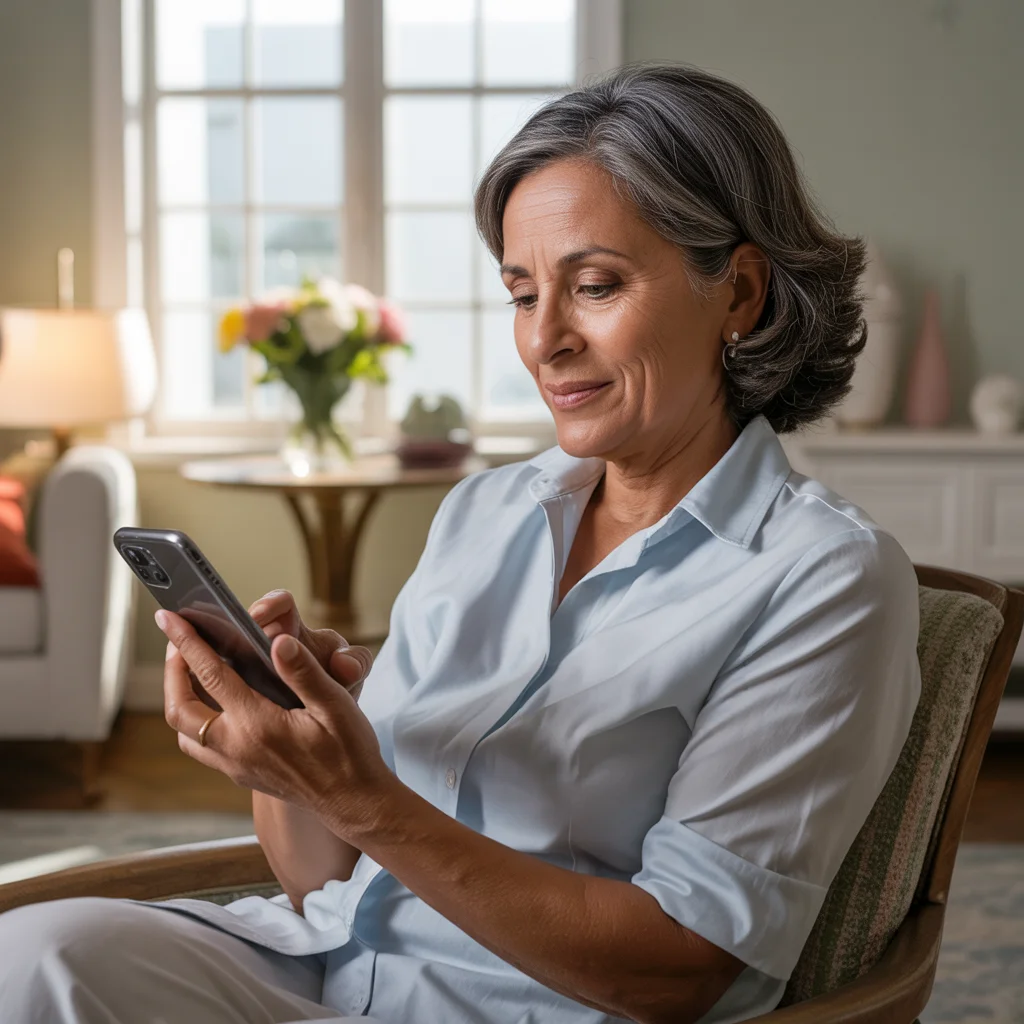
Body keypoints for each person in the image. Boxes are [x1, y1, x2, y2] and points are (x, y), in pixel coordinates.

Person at [0, 62, 921, 1024]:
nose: (544, 341)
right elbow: (329, 882)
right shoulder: (485, 516)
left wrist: (364, 800)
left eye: (595, 286)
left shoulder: (825, 578)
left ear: (738, 294)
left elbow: (680, 969)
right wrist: (295, 765)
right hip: (328, 972)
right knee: (31, 956)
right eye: (523, 295)